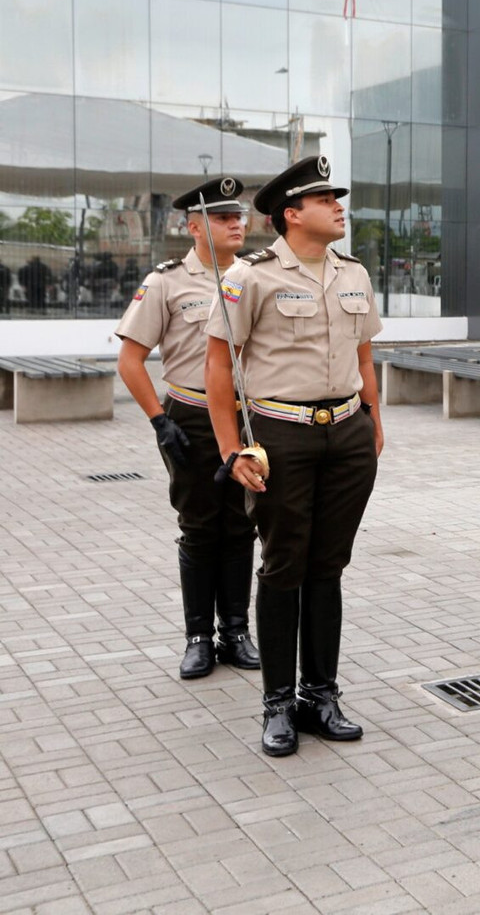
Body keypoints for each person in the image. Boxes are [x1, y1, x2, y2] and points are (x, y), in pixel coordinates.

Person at [204, 154, 385, 757]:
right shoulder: (249, 277)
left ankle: (320, 696)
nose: (338, 207)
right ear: (291, 214)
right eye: (325, 199)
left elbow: (364, 356)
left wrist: (374, 424)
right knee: (284, 565)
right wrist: (231, 451)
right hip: (281, 436)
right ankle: (278, 703)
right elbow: (217, 367)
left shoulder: (354, 272)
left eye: (338, 198)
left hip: (347, 434)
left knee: (328, 568)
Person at [114, 176, 259, 680]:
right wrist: (159, 421)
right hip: (192, 418)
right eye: (223, 218)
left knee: (242, 524)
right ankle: (198, 637)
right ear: (193, 226)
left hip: (246, 417)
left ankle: (236, 631)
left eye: (239, 216)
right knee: (199, 527)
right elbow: (130, 360)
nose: (237, 224)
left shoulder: (255, 276)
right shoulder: (166, 281)